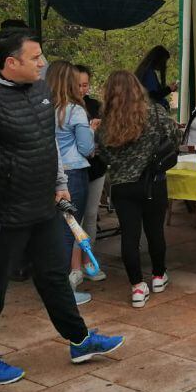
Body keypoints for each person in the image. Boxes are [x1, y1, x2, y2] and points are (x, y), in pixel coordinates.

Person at [0, 28, 123, 384]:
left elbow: (47, 144)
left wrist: (61, 185)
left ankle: (79, 340)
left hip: (44, 206)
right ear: (10, 62)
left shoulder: (40, 90)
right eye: (35, 58)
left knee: (54, 277)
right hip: (2, 213)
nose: (43, 63)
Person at [95, 71, 179, 308]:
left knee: (129, 237)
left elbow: (102, 154)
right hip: (154, 182)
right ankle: (159, 276)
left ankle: (137, 287)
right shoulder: (154, 112)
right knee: (155, 232)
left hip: (123, 186)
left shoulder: (106, 122)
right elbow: (174, 136)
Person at [47, 60, 95, 306]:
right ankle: (65, 293)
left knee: (54, 231)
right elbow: (87, 148)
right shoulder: (74, 110)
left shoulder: (42, 108)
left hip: (48, 174)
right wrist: (92, 131)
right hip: (73, 173)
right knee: (71, 229)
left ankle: (54, 287)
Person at [74, 65, 107, 281]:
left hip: (95, 167)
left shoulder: (95, 105)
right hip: (74, 169)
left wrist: (100, 129)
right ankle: (74, 267)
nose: (83, 89)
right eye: (78, 85)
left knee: (91, 215)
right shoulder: (62, 107)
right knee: (75, 218)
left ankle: (88, 261)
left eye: (86, 84)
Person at [135, 45, 178, 109]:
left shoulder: (143, 71)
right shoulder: (149, 73)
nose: (165, 65)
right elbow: (153, 96)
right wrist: (169, 89)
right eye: (164, 61)